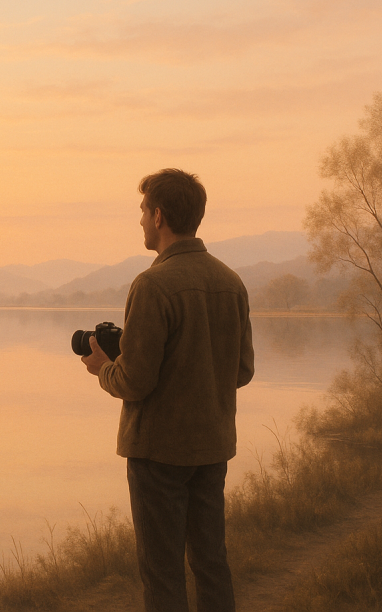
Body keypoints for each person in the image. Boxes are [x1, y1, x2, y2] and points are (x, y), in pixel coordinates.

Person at [81, 168, 254, 612]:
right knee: (212, 562)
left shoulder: (152, 285)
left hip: (158, 455)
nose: (139, 220)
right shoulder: (230, 282)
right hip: (212, 447)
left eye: (142, 211)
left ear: (159, 216)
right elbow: (243, 371)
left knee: (161, 573)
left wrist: (103, 368)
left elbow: (135, 382)